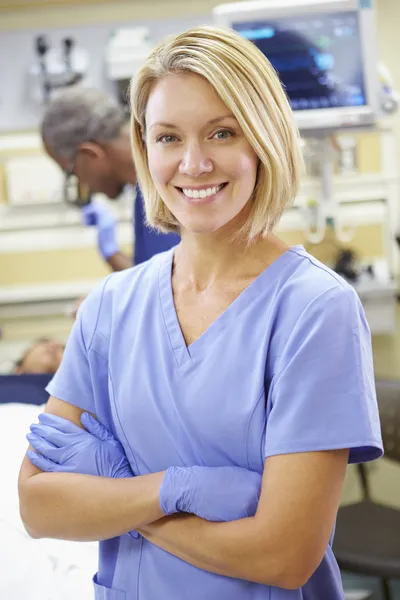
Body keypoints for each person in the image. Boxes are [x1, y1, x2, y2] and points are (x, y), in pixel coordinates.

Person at [19, 25, 383, 600]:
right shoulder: (111, 307)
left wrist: (113, 489)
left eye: (222, 132)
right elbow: (39, 507)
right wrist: (173, 489)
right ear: (144, 147)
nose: (192, 163)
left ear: (263, 139)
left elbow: (284, 556)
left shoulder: (315, 310)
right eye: (167, 137)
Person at [41, 87, 180, 272]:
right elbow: (150, 278)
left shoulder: (165, 184)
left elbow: (171, 290)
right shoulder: (145, 190)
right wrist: (111, 253)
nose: (82, 183)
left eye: (72, 172)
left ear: (90, 154)